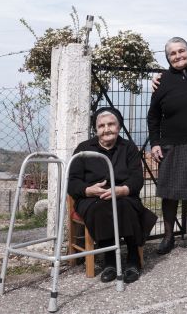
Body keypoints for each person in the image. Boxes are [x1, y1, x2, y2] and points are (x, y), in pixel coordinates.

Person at [68, 107, 158, 283]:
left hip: (123, 195)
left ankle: (133, 258)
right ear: (96, 129)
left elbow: (137, 178)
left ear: (119, 127)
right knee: (102, 207)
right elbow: (72, 181)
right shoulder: (84, 149)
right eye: (101, 126)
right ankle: (109, 261)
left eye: (111, 124)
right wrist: (88, 190)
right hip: (92, 198)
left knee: (125, 205)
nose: (106, 129)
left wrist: (122, 190)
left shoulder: (128, 148)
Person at [147, 37, 187, 255]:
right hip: (171, 145)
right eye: (172, 53)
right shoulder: (162, 81)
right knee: (170, 193)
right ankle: (168, 237)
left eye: (181, 51)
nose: (178, 56)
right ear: (167, 58)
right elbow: (153, 116)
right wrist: (155, 143)